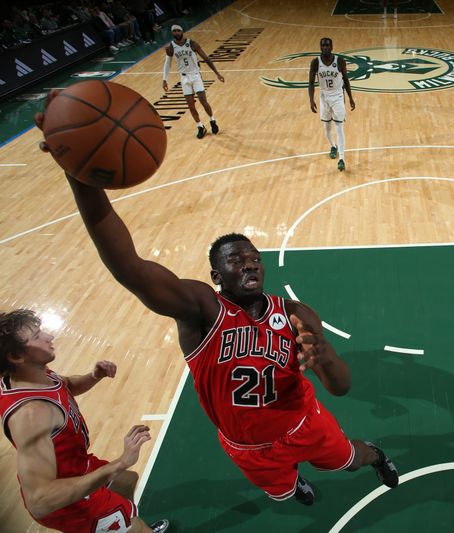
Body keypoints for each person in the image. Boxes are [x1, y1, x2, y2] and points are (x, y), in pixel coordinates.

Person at [34, 94, 397, 506]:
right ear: (216, 276)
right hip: (246, 448)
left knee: (350, 459)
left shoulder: (295, 314)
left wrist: (323, 358)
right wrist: (79, 174)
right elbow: (129, 268)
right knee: (283, 492)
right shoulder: (202, 311)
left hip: (305, 425)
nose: (250, 264)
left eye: (254, 259)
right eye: (236, 260)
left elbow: (342, 387)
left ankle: (377, 455)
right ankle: (293, 482)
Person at [0, 309, 169, 533]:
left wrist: (94, 376)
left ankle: (122, 520)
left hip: (78, 467)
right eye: (37, 336)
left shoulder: (33, 373)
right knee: (134, 520)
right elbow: (40, 500)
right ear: (16, 357)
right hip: (65, 502)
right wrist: (121, 461)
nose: (49, 336)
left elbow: (66, 385)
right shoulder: (31, 414)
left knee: (125, 482)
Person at [162, 24, 225, 139]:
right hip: (184, 78)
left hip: (196, 76)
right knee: (190, 106)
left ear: (182, 31)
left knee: (203, 101)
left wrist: (217, 73)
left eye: (178, 30)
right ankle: (200, 126)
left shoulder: (192, 43)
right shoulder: (170, 47)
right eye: (174, 31)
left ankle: (212, 120)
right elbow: (167, 64)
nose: (176, 32)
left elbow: (206, 58)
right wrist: (164, 80)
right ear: (172, 33)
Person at [309, 37, 355, 172]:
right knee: (327, 126)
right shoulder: (315, 62)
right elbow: (311, 82)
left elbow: (346, 80)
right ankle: (332, 146)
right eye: (323, 46)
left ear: (332, 47)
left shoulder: (339, 61)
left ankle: (342, 159)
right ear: (320, 47)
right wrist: (311, 99)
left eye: (327, 46)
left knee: (339, 127)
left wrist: (351, 98)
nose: (325, 48)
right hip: (324, 97)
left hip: (338, 97)